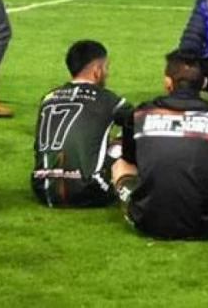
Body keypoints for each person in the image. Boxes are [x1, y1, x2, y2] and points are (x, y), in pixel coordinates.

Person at [111, 50, 208, 240]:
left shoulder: (140, 114)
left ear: (168, 83)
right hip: (207, 226)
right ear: (202, 83)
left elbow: (130, 162)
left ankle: (148, 203)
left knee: (121, 164)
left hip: (147, 222)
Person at [31, 40, 132, 208]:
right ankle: (133, 192)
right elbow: (140, 123)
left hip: (42, 189)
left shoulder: (48, 98)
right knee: (131, 137)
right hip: (89, 191)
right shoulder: (109, 100)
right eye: (105, 67)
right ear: (97, 71)